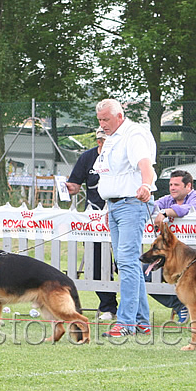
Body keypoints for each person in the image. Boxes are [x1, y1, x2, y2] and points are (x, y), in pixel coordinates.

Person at [92, 99, 156, 337]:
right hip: (116, 205)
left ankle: (126, 322)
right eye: (99, 120)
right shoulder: (112, 139)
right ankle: (141, 321)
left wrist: (146, 185)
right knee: (126, 263)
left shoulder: (134, 135)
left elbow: (145, 165)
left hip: (131, 203)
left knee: (127, 262)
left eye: (106, 119)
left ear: (119, 116)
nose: (102, 124)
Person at [65, 126, 118, 321]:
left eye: (106, 140)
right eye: (100, 140)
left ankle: (133, 307)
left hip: (118, 214)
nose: (102, 144)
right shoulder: (87, 157)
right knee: (96, 263)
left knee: (123, 262)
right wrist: (69, 188)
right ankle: (108, 307)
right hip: (94, 220)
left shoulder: (121, 157)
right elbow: (75, 185)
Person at [149, 170, 196, 322]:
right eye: (170, 185)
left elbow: (190, 210)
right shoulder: (168, 199)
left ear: (188, 186)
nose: (172, 188)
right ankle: (179, 304)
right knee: (144, 274)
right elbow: (150, 207)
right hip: (171, 259)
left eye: (176, 184)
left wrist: (164, 213)